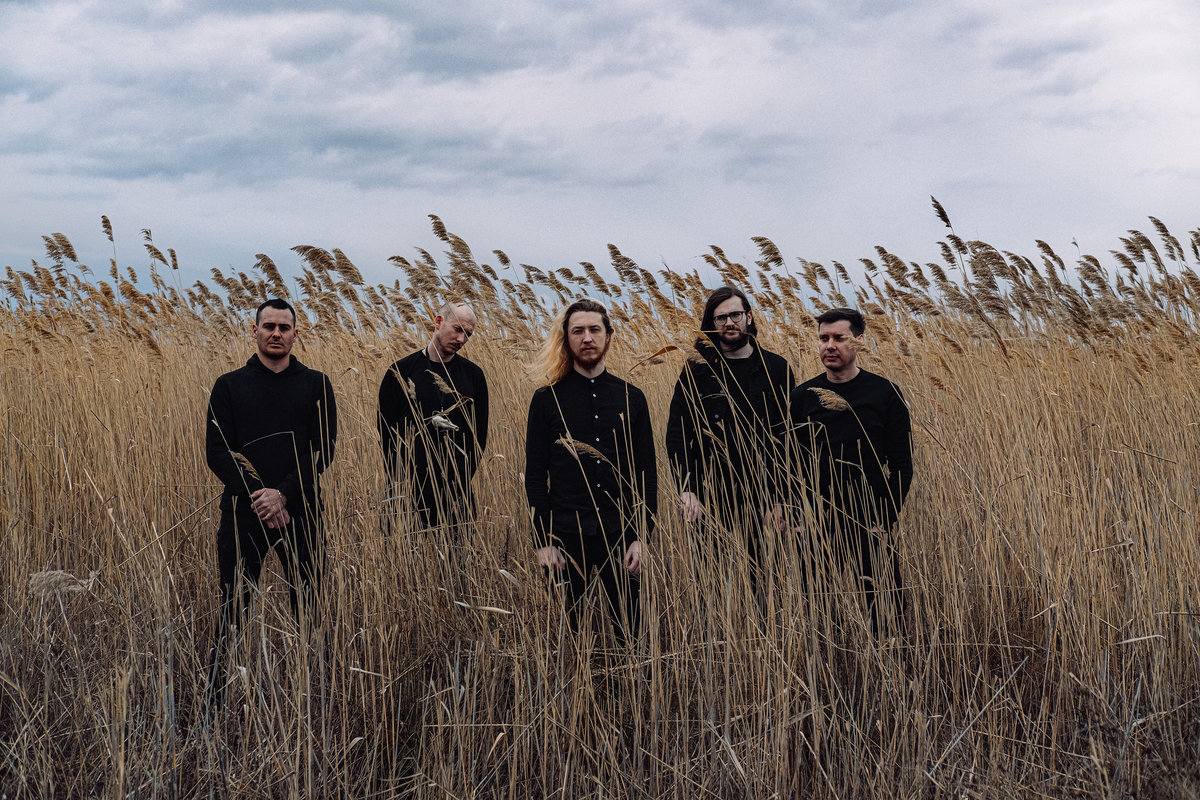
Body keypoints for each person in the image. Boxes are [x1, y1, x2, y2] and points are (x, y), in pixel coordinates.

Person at [204, 298, 338, 706]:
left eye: (284, 327)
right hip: (243, 515)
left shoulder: (316, 384)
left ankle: (316, 701)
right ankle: (214, 706)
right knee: (233, 609)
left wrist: (283, 495)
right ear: (255, 331)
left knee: (309, 607)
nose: (276, 334)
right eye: (269, 326)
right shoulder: (229, 385)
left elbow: (322, 449)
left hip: (302, 514)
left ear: (296, 334)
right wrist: (260, 496)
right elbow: (217, 451)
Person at [524, 298, 656, 643]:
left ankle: (629, 679)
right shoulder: (546, 400)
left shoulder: (632, 398)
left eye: (595, 330)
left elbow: (646, 472)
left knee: (630, 634)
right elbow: (535, 475)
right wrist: (543, 542)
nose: (587, 338)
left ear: (608, 336)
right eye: (578, 331)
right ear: (566, 339)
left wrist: (642, 537)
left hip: (621, 535)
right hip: (565, 538)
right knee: (568, 638)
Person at [789, 307, 912, 635]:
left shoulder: (885, 393)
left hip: (869, 517)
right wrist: (796, 514)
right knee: (817, 614)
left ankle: (891, 663)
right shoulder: (802, 397)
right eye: (823, 338)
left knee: (887, 612)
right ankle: (827, 665)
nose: (829, 345)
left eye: (839, 338)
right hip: (818, 517)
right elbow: (788, 463)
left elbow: (902, 464)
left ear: (859, 341)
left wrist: (885, 517)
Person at [664, 286, 794, 569]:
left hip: (763, 497)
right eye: (720, 318)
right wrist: (687, 489)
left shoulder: (776, 369)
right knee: (710, 582)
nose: (729, 322)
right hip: (708, 495)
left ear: (749, 316)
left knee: (764, 581)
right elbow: (677, 434)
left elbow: (788, 437)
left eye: (735, 315)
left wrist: (783, 499)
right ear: (712, 324)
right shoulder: (697, 370)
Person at [377, 302, 489, 534]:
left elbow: (478, 437)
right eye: (457, 329)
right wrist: (402, 476)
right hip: (405, 492)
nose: (462, 339)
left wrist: (459, 478)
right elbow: (386, 431)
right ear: (439, 321)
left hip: (455, 494)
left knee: (457, 556)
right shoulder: (400, 371)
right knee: (404, 556)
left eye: (468, 334)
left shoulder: (473, 376)